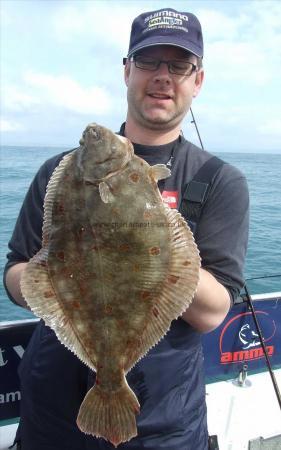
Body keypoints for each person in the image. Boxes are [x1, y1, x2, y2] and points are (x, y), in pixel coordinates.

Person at [4, 7, 249, 450]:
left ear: (198, 80)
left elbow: (213, 314)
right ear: (127, 71)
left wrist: (150, 239)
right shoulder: (59, 173)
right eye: (149, 61)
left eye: (179, 65)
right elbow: (15, 275)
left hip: (163, 425)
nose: (163, 76)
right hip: (50, 416)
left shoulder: (218, 181)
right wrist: (50, 277)